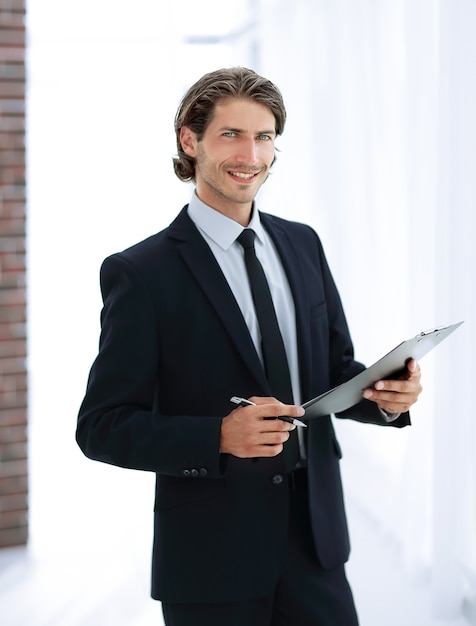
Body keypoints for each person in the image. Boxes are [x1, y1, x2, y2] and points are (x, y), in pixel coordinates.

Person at [76, 67, 422, 626]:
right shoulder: (141, 273)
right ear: (190, 141)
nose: (251, 154)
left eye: (263, 136)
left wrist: (383, 397)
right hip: (213, 558)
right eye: (231, 135)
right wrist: (217, 436)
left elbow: (331, 372)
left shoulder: (302, 243)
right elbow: (101, 426)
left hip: (316, 543)